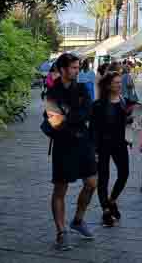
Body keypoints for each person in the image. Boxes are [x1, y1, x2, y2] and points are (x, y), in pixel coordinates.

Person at [43, 53, 97, 251]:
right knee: (60, 189)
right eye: (73, 68)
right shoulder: (52, 92)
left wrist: (68, 116)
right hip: (63, 145)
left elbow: (88, 111)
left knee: (91, 183)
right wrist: (72, 117)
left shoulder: (82, 88)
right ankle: (61, 232)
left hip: (83, 143)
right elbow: (55, 122)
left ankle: (78, 220)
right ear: (63, 69)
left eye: (77, 67)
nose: (76, 70)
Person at [91, 71, 134, 227]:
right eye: (116, 83)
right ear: (108, 85)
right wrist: (94, 150)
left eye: (119, 82)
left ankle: (112, 200)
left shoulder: (123, 101)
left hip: (120, 143)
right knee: (104, 178)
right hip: (102, 145)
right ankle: (105, 211)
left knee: (124, 173)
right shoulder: (98, 105)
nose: (119, 85)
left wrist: (129, 121)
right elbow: (94, 129)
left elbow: (125, 122)